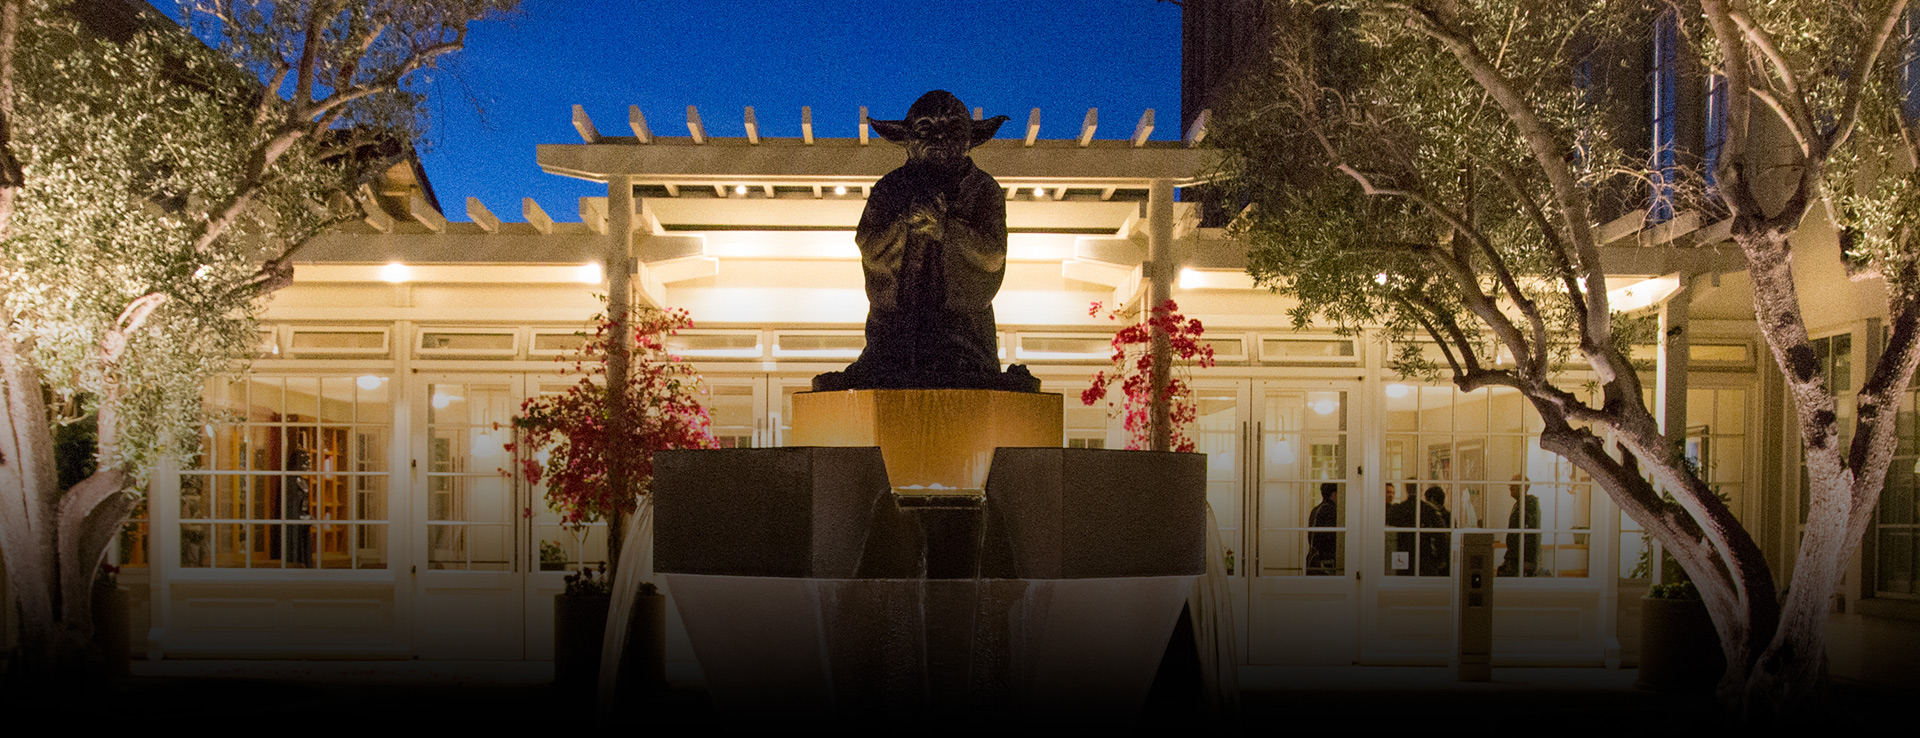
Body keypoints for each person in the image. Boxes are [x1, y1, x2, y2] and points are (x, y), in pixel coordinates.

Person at [1499, 475, 1542, 577]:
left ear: (1523, 487)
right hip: (1515, 555)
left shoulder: (1528, 506)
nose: (1510, 489)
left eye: (1513, 486)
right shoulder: (1520, 505)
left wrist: (1528, 559)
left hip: (1521, 557)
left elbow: (1531, 535)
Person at [1418, 486, 1452, 576]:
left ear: (1432, 499)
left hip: (1436, 558)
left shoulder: (1431, 516)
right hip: (1448, 558)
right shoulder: (1449, 516)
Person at [1385, 481, 1417, 575]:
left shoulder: (1397, 509)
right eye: (1388, 492)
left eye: (1392, 493)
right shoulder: (1379, 510)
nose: (1390, 495)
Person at [1306, 482, 1339, 575]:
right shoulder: (1331, 510)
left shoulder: (1316, 509)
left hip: (1313, 559)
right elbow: (1331, 538)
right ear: (1334, 494)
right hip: (1325, 563)